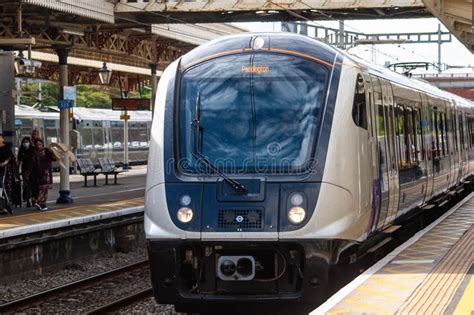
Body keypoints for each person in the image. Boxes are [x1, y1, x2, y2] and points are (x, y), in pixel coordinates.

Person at [32, 139, 54, 211]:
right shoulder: (35, 154)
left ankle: (43, 203)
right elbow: (33, 164)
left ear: (42, 144)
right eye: (37, 145)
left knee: (45, 189)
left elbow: (53, 158)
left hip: (47, 173)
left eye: (40, 144)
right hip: (39, 174)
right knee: (42, 189)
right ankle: (39, 202)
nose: (38, 146)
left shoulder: (47, 151)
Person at [17, 136, 35, 207]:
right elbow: (19, 160)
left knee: (33, 184)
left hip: (33, 169)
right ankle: (28, 200)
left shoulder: (33, 149)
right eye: (24, 142)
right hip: (25, 169)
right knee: (26, 185)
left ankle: (34, 199)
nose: (25, 143)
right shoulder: (21, 150)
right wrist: (17, 171)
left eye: (27, 142)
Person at [0, 134, 15, 214]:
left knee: (5, 187)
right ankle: (2, 206)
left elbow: (9, 157)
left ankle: (7, 205)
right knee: (1, 188)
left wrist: (4, 163)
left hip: (6, 170)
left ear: (2, 138)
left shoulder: (7, 147)